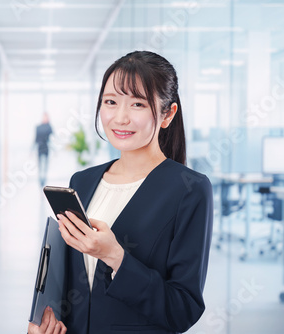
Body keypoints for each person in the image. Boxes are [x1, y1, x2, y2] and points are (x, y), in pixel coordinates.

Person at [28, 51, 213, 334]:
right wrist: (49, 318)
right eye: (110, 102)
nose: (120, 117)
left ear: (167, 114)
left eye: (138, 104)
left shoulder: (189, 190)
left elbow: (182, 309)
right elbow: (69, 285)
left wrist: (116, 256)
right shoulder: (83, 180)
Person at [34, 112, 53, 187]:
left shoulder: (49, 127)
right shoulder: (38, 127)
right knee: (40, 167)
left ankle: (43, 182)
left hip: (46, 148)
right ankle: (41, 183)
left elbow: (53, 138)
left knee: (44, 167)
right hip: (40, 148)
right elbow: (35, 139)